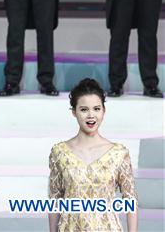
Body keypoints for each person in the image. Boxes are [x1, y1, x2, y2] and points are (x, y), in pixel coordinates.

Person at [48, 79, 138, 231]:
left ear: (104, 111)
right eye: (84, 110)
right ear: (74, 112)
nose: (91, 115)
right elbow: (55, 199)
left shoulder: (118, 154)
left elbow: (130, 199)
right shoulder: (60, 153)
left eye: (96, 109)